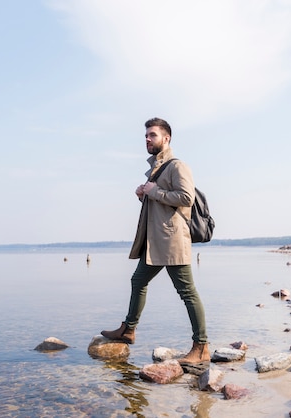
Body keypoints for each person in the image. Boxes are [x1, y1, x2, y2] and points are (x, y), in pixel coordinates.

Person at [101, 117, 209, 365]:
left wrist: (154, 192)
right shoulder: (157, 168)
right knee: (138, 280)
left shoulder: (177, 166)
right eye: (146, 136)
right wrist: (144, 196)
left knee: (187, 292)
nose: (147, 140)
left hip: (171, 242)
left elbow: (185, 198)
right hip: (156, 242)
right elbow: (161, 205)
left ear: (166, 138)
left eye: (152, 135)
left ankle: (201, 346)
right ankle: (128, 329)